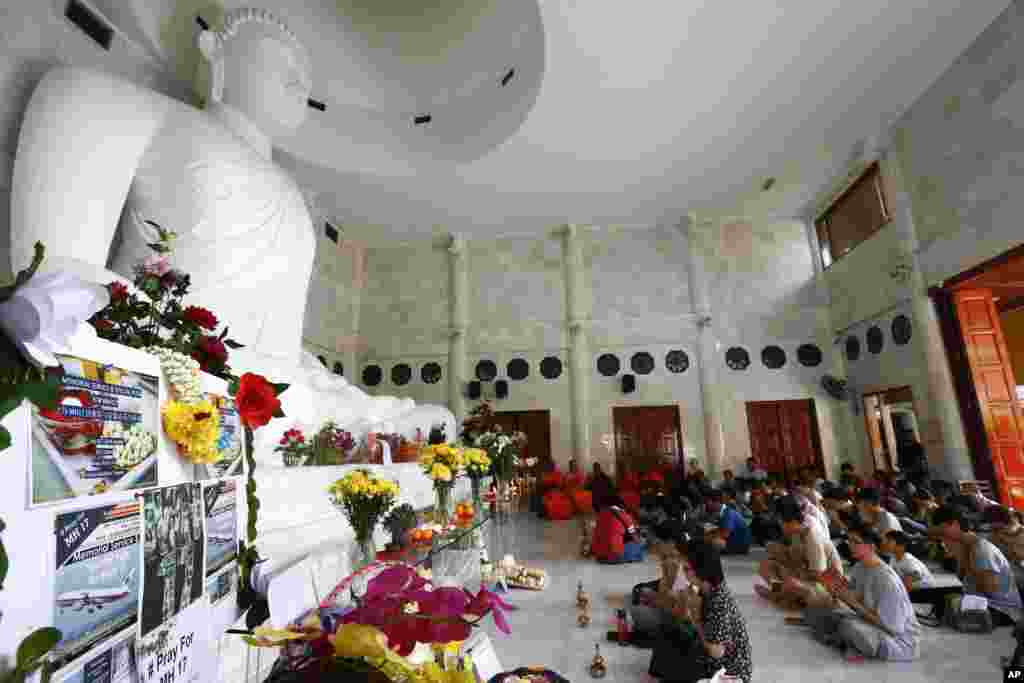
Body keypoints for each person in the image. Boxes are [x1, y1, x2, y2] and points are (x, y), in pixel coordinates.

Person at [803, 524, 921, 661]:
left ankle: (847, 641)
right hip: (868, 622)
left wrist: (849, 600)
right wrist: (838, 584)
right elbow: (856, 596)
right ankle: (847, 641)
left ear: (871, 547)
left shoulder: (886, 579)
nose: (850, 545)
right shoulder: (860, 567)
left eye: (856, 542)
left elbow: (894, 628)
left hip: (898, 642)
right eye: (849, 541)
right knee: (814, 612)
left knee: (848, 626)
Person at [649, 539, 753, 683]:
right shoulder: (707, 587)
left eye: (686, 569)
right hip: (710, 654)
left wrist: (696, 618)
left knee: (675, 666)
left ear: (701, 569)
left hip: (727, 670)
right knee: (667, 631)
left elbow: (717, 652)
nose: (683, 572)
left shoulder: (718, 601)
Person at [929, 504, 1022, 626]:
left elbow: (991, 590)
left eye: (943, 530)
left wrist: (967, 563)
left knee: (946, 604)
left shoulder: (981, 549)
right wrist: (961, 557)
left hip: (1002, 610)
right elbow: (965, 582)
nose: (942, 537)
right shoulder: (967, 546)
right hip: (984, 602)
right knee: (940, 598)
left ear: (955, 525)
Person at [757, 496, 844, 609]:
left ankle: (780, 596)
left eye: (780, 521)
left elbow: (819, 575)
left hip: (826, 587)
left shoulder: (812, 536)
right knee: (765, 565)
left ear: (789, 520)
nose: (779, 525)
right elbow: (795, 558)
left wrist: (796, 576)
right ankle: (782, 594)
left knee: (791, 583)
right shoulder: (797, 532)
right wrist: (779, 553)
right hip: (806, 577)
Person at [592, 496, 645, 564]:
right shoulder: (621, 513)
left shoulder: (600, 515)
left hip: (600, 558)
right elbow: (633, 533)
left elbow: (595, 537)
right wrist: (639, 541)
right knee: (639, 546)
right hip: (616, 556)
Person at [704, 489, 752, 555]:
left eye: (708, 502)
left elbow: (725, 534)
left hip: (740, 545)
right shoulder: (720, 512)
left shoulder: (729, 513)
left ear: (716, 502)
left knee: (712, 542)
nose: (707, 504)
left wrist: (708, 536)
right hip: (731, 541)